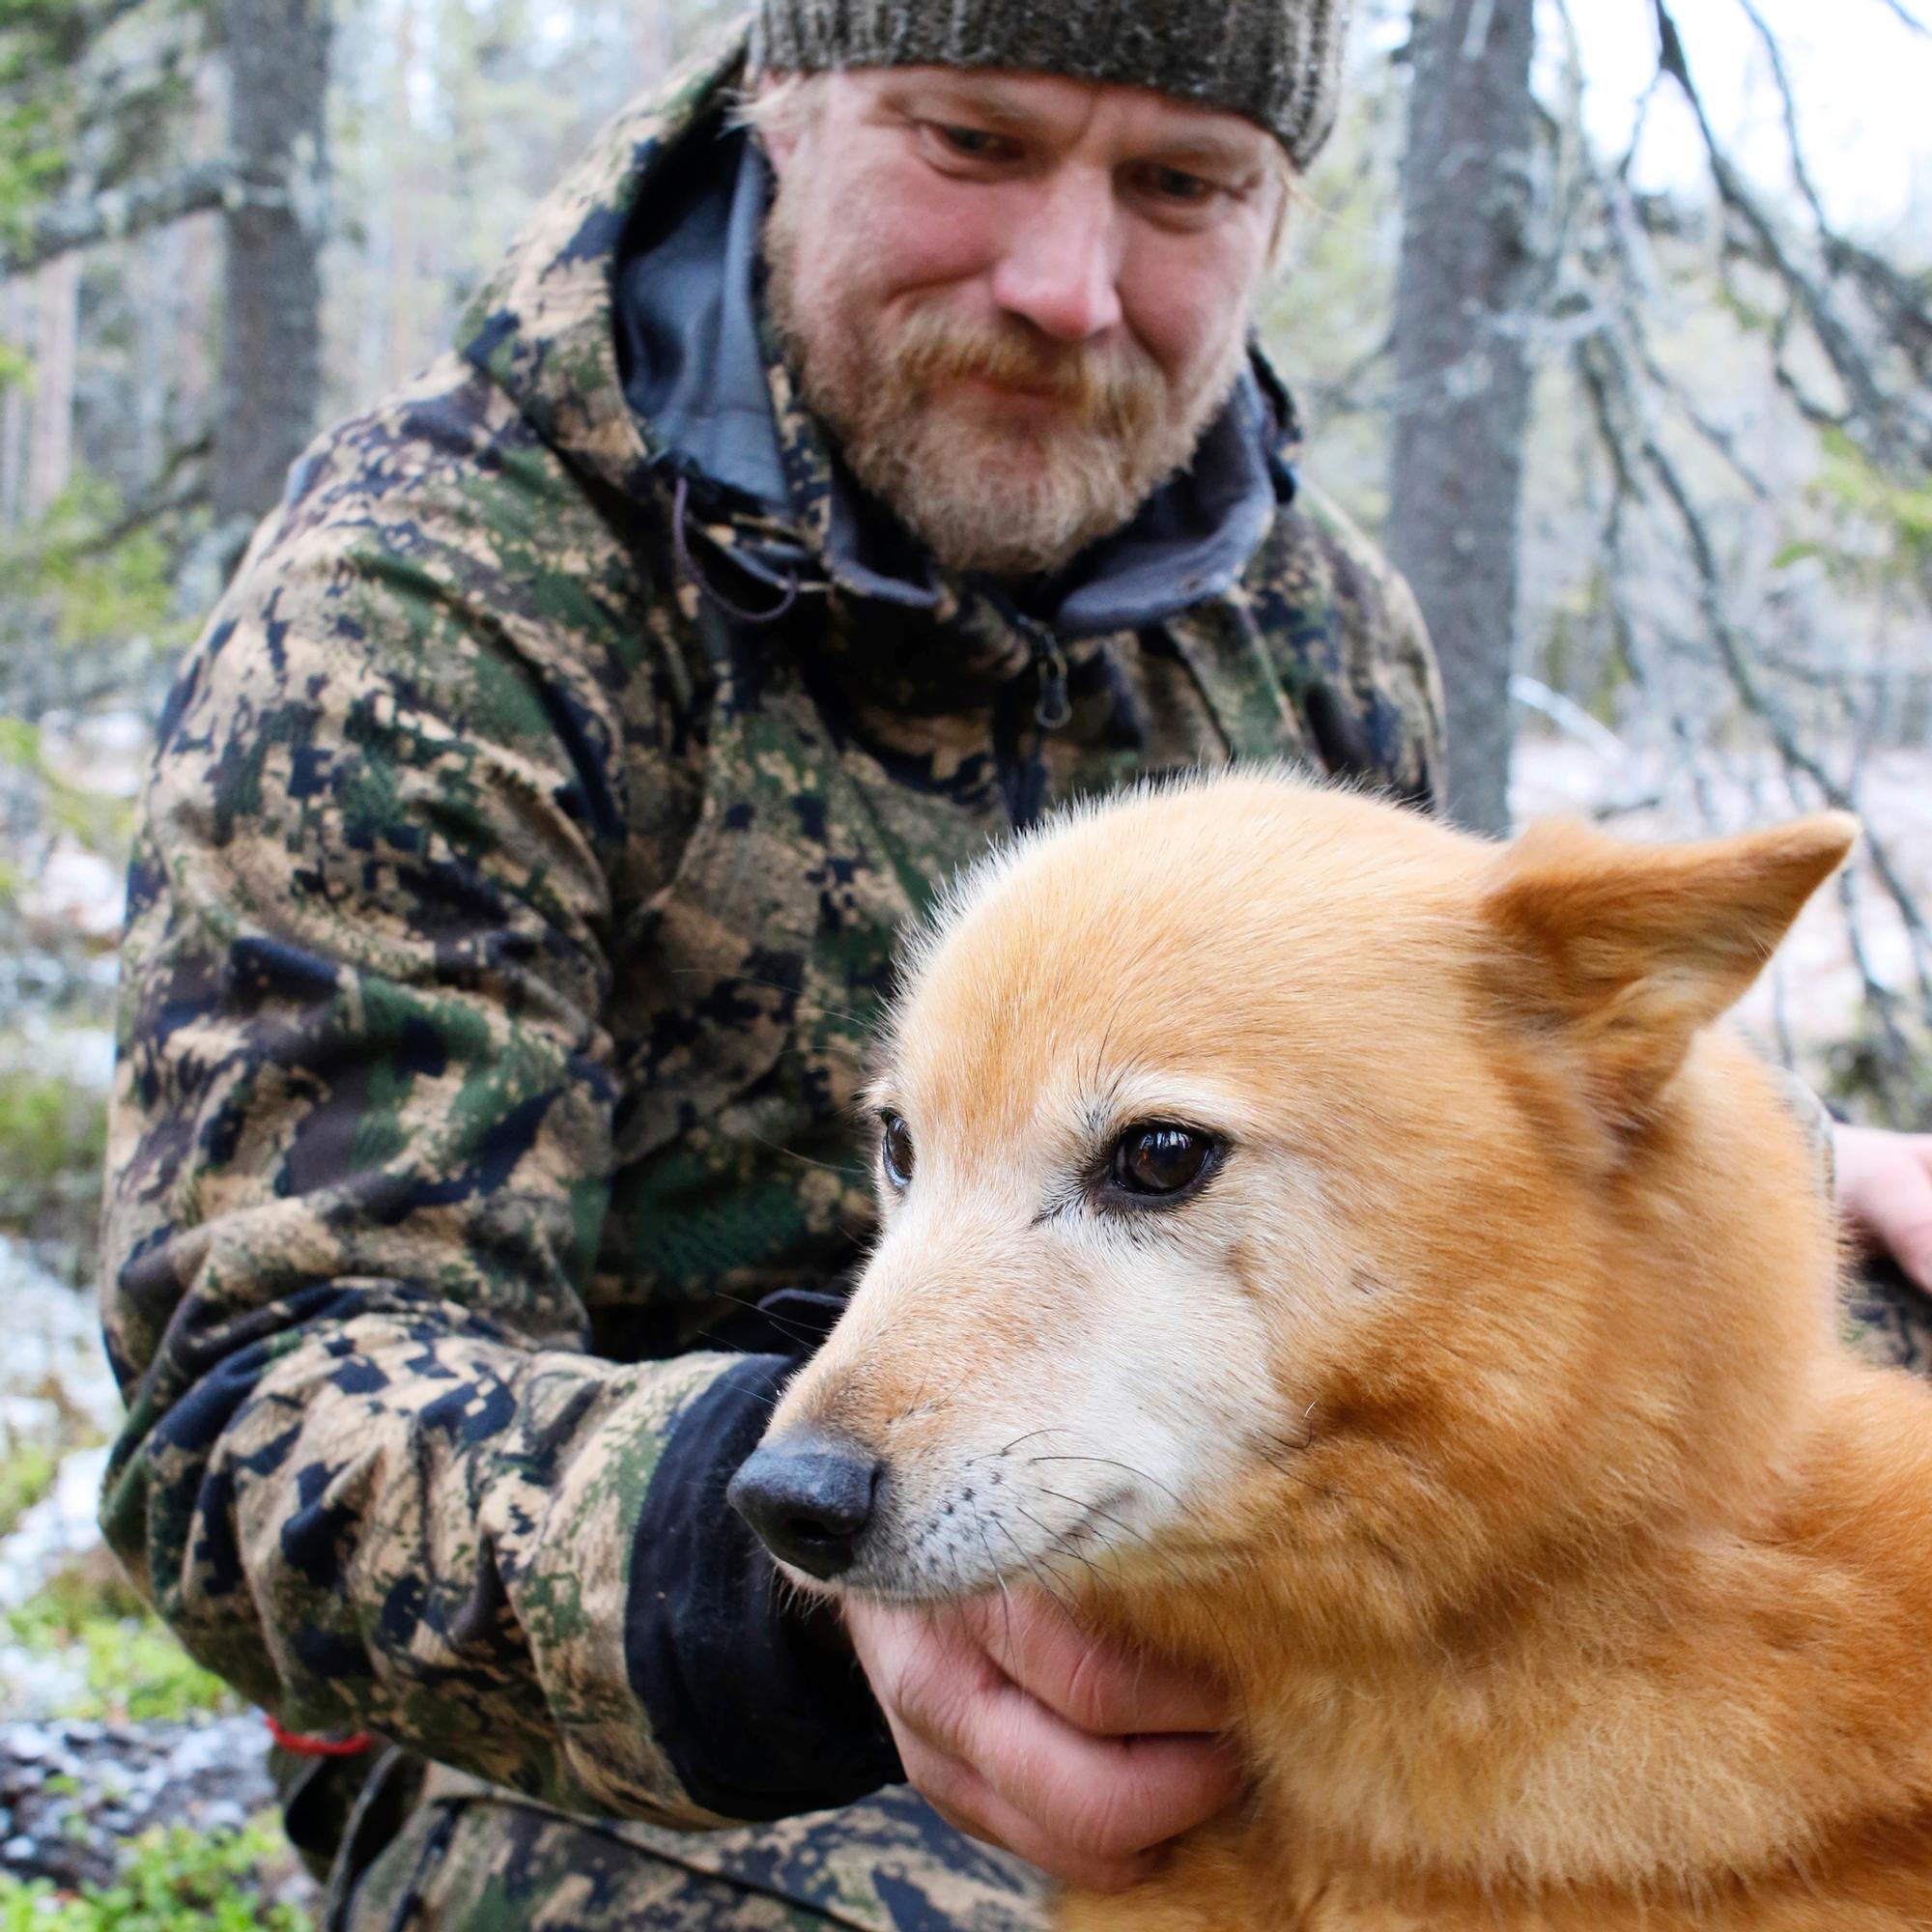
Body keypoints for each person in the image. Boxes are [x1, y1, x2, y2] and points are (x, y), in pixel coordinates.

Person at [96, 0, 1932, 1925]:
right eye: (973, 142)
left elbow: (1402, 1135)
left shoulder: (1304, 620)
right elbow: (249, 1418)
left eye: (1179, 184)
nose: (1067, 287)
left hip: (1230, 1591)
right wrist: (810, 1611)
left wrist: (1811, 1166)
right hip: (659, 1729)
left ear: (1277, 213)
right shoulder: (435, 604)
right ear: (782, 107)